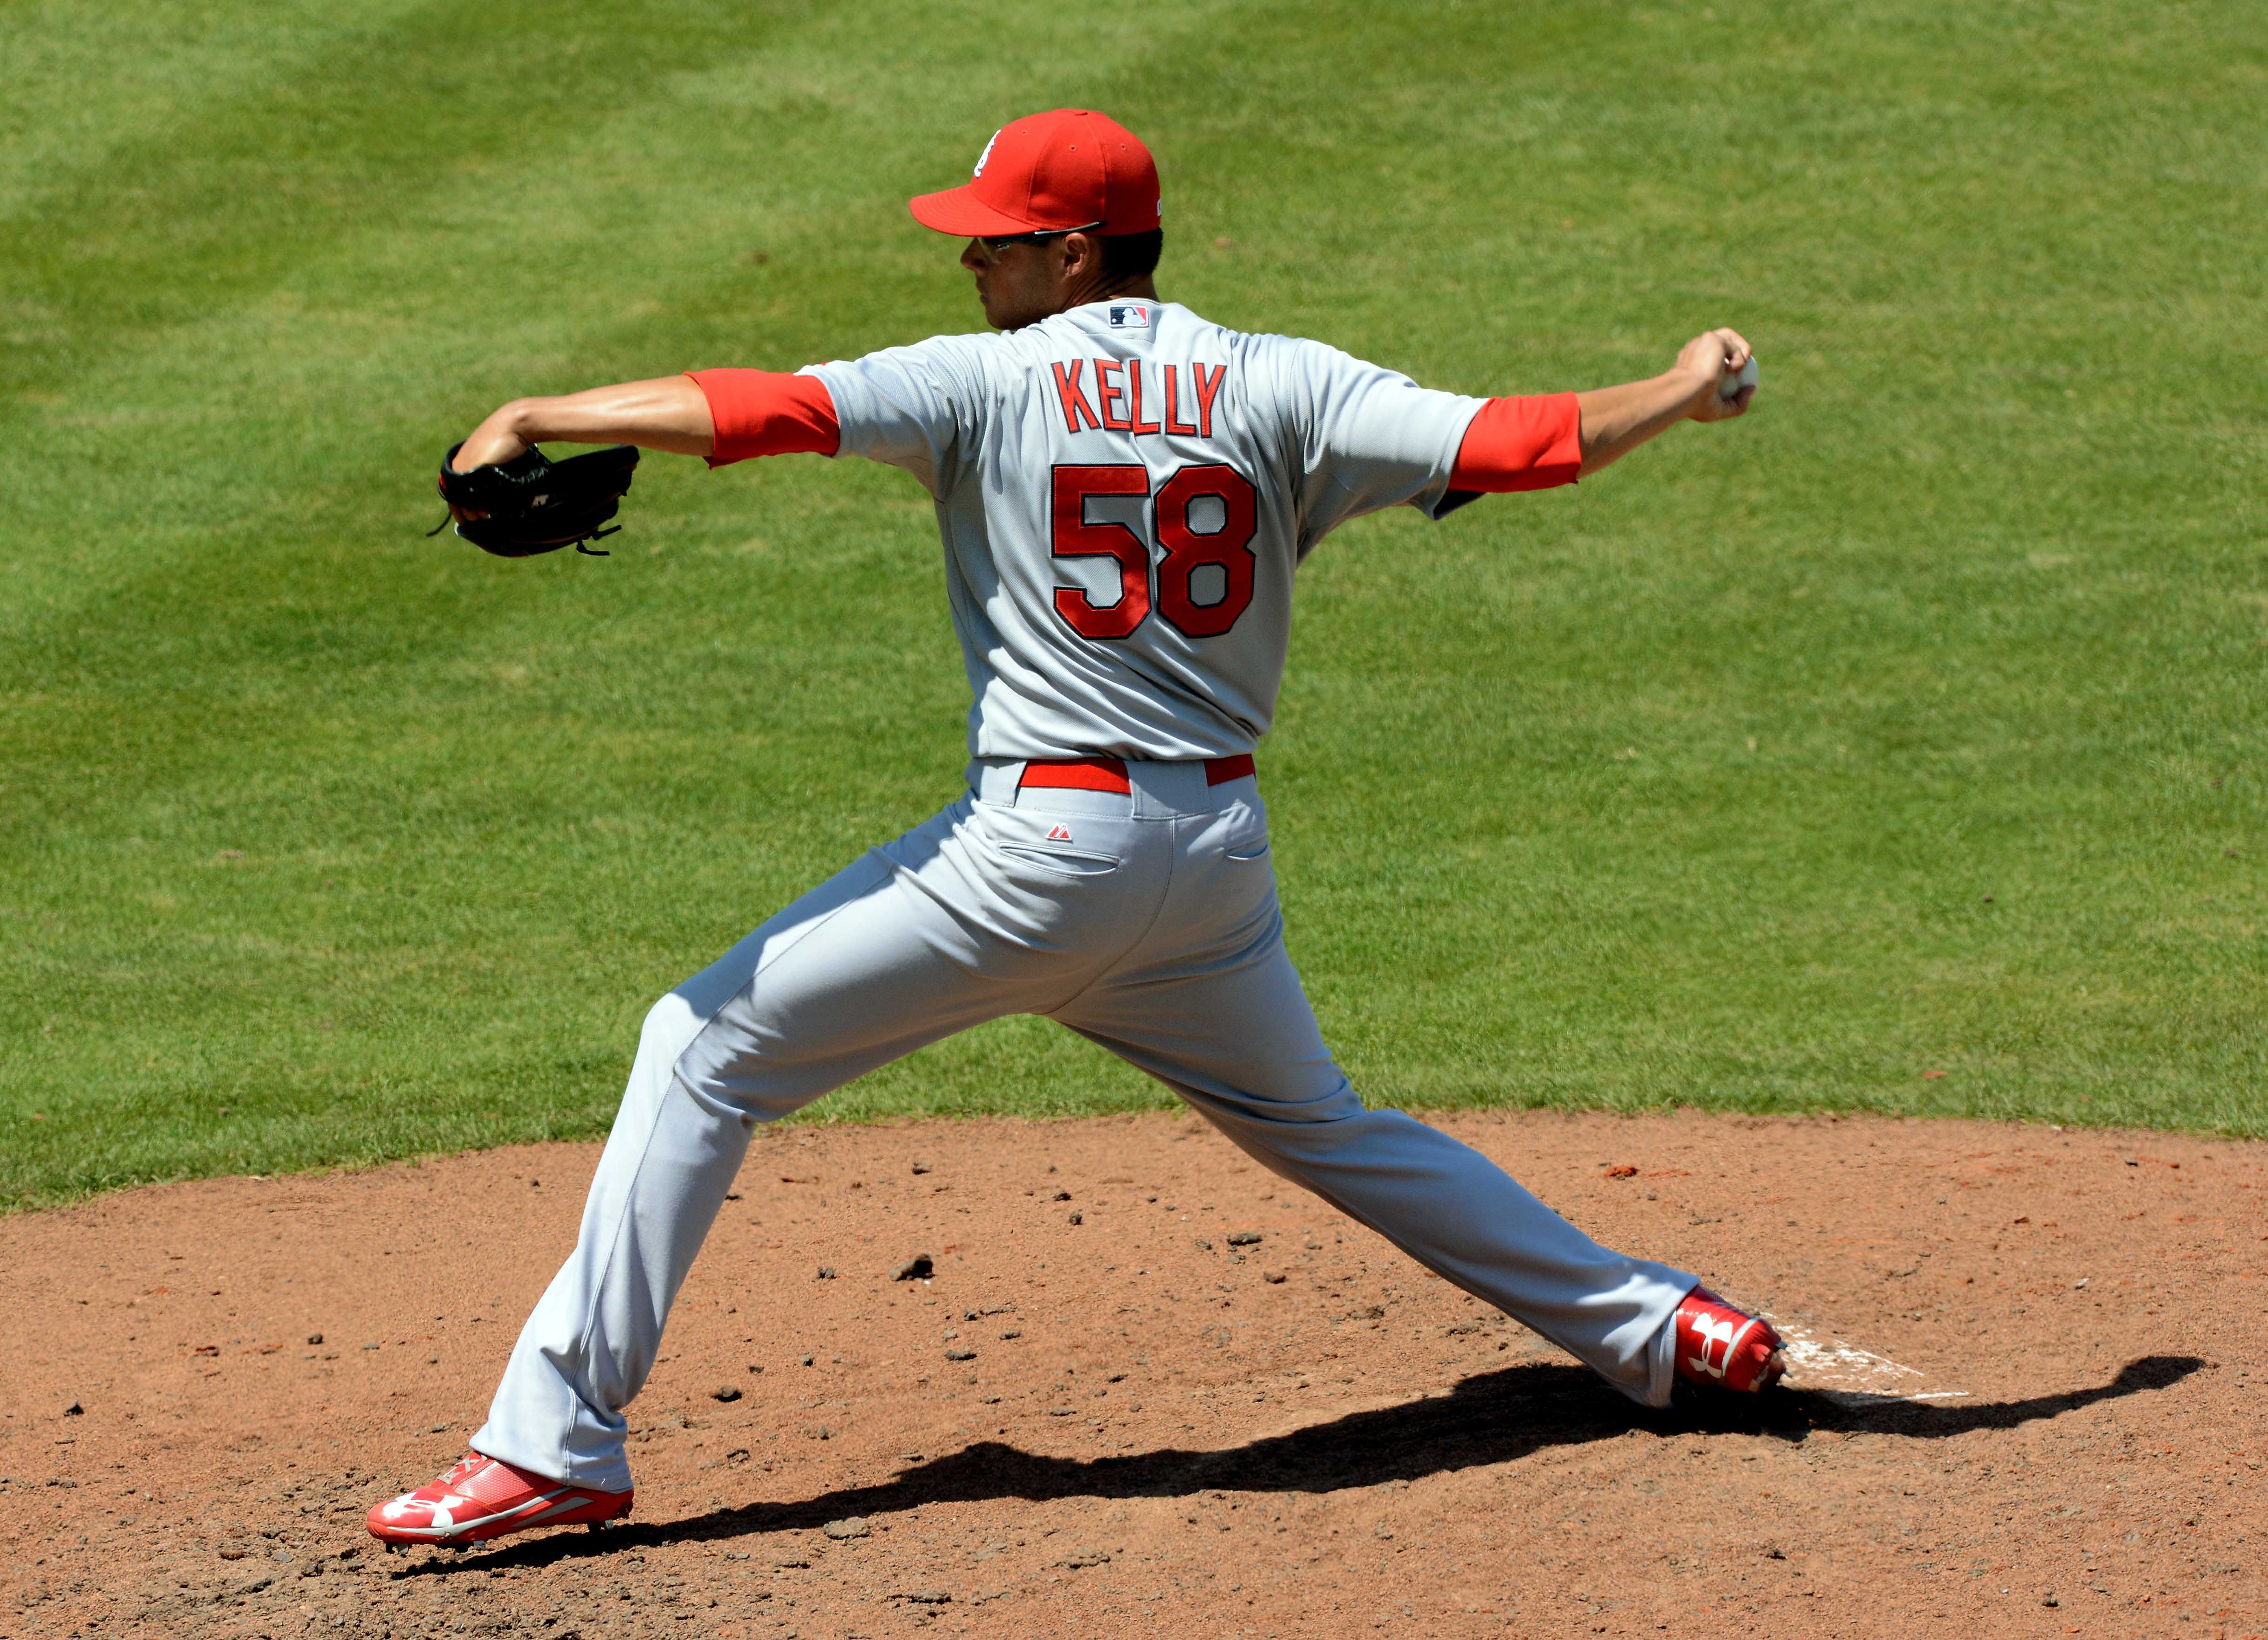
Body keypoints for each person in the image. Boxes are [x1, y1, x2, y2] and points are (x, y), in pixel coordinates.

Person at [368, 108, 1779, 1548]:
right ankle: (1660, 1330)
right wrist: (1681, 383)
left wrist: (543, 414)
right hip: (1212, 867)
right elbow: (1520, 444)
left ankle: (555, 1444)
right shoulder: (1282, 380)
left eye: (995, 243)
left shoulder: (983, 382)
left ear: (1077, 252)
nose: (971, 264)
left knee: (698, 1047)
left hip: (1037, 862)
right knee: (1329, 1128)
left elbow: (760, 409)